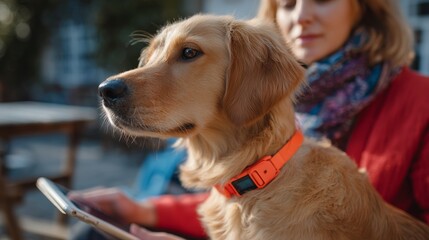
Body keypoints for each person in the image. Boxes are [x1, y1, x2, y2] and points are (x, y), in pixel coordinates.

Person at [71, 0, 429, 239]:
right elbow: (249, 190)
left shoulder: (420, 101)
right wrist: (142, 209)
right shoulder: (278, 96)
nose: (300, 15)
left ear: (363, 7)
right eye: (287, 2)